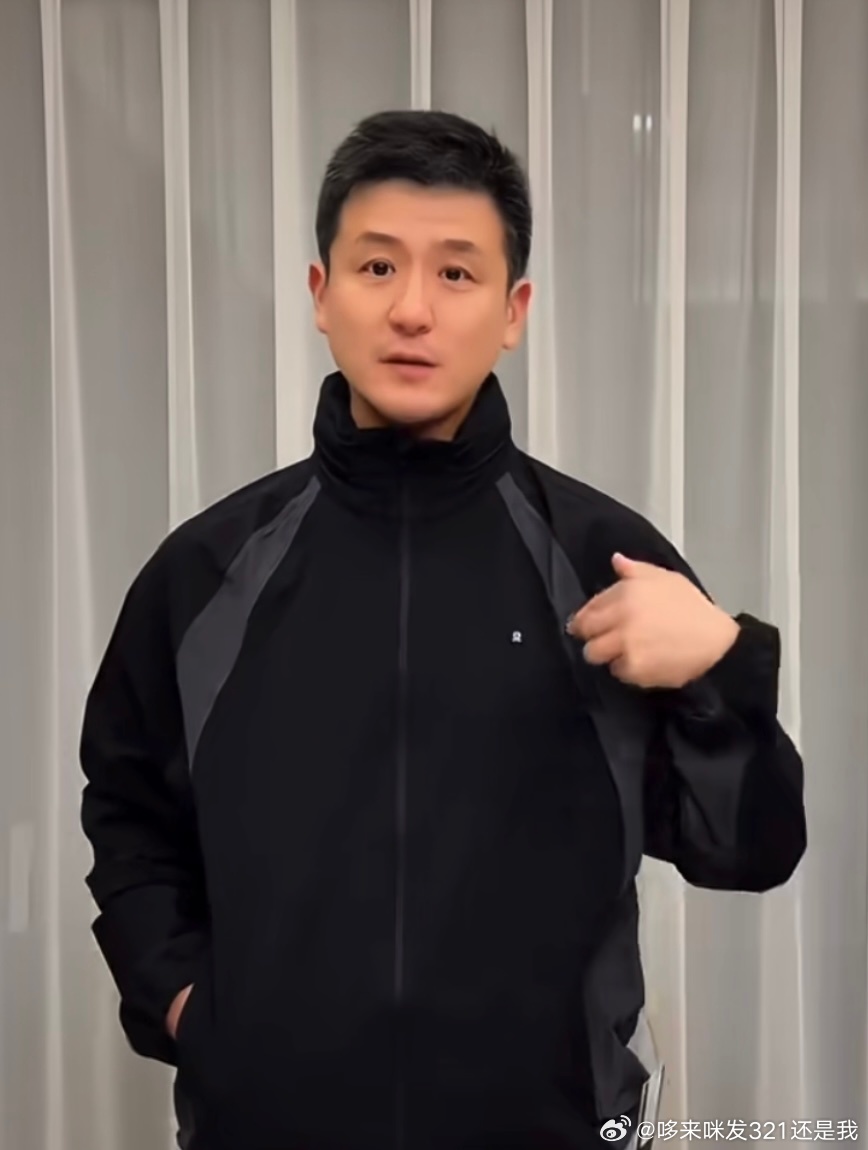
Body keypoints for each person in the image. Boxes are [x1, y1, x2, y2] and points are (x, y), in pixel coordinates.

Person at [79, 109, 807, 1150]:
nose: (412, 309)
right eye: (377, 267)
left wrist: (720, 670)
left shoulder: (605, 560)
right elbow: (128, 813)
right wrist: (191, 1006)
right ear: (321, 294)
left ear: (513, 311)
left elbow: (753, 849)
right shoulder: (207, 572)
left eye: (456, 273)